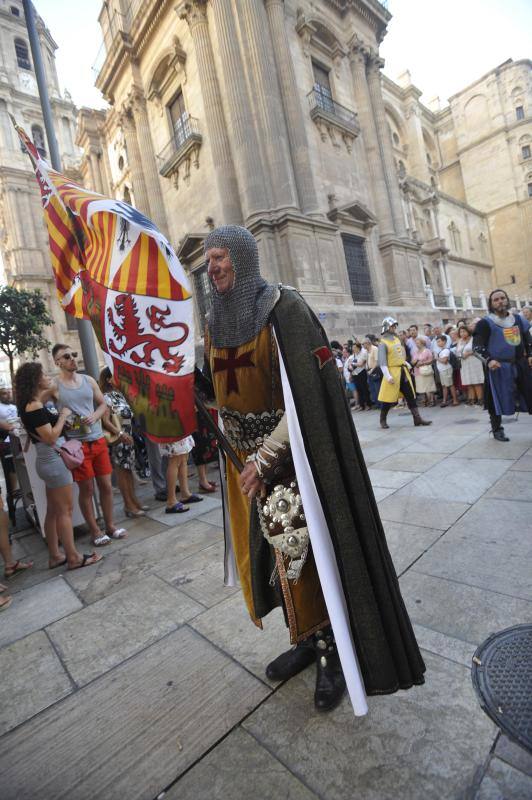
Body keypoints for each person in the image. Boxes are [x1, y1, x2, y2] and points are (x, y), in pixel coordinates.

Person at [203, 225, 425, 715]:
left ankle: (332, 654)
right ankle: (305, 636)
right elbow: (217, 389)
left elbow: (308, 394)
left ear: (242, 258)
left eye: (220, 257)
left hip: (292, 461)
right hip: (245, 469)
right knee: (273, 562)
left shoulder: (284, 308)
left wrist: (267, 458)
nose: (213, 267)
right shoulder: (214, 319)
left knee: (307, 555)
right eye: (209, 260)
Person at [15, 362, 102, 571]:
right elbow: (50, 436)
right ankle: (73, 557)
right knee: (65, 511)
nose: (47, 377)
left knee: (54, 511)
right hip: (53, 461)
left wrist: (64, 421)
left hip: (48, 462)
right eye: (43, 374)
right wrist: (63, 416)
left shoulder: (32, 404)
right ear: (36, 380)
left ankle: (55, 555)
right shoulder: (34, 406)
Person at [50, 345, 126, 546]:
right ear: (57, 362)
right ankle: (95, 530)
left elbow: (103, 404)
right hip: (77, 446)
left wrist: (94, 416)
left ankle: (110, 525)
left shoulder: (88, 380)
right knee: (87, 490)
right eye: (67, 356)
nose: (73, 358)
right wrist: (59, 418)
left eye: (74, 354)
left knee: (107, 486)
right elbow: (36, 405)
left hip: (98, 439)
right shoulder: (54, 385)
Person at [473, 289, 532, 441]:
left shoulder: (518, 320)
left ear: (507, 300)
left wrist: (530, 355)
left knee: (529, 392)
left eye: (502, 298)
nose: (500, 301)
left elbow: (528, 340)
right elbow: (477, 347)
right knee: (495, 399)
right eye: (496, 299)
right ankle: (497, 429)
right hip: (497, 367)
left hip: (519, 364)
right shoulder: (485, 323)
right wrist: (489, 360)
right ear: (491, 304)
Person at [99, 367, 149, 518]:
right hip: (119, 439)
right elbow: (105, 421)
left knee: (128, 471)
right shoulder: (107, 397)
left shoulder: (119, 395)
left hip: (128, 437)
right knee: (122, 472)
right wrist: (120, 434)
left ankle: (134, 501)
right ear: (108, 379)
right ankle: (128, 505)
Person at [377, 318, 432, 430]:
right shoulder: (383, 343)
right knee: (388, 398)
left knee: (410, 396)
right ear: (387, 327)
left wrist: (406, 363)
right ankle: (382, 419)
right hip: (392, 373)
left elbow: (399, 356)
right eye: (392, 326)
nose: (394, 328)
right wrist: (388, 376)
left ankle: (417, 419)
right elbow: (382, 363)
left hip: (402, 372)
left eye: (394, 326)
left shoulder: (397, 340)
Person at [159, 435, 201, 513]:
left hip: (178, 427)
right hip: (170, 428)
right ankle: (171, 501)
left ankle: (185, 493)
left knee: (183, 457)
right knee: (174, 460)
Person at [455, 325, 484, 405]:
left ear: (468, 331)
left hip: (474, 361)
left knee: (476, 381)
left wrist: (468, 353)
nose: (462, 333)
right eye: (460, 332)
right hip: (464, 363)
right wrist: (460, 355)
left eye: (464, 331)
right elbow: (457, 351)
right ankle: (472, 398)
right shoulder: (459, 341)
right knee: (468, 382)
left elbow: (477, 349)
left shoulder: (473, 338)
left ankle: (480, 399)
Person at [435, 336, 459, 407]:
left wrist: (437, 358)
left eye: (439, 341)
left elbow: (444, 361)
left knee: (450, 385)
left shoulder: (446, 350)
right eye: (437, 342)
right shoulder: (441, 351)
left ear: (444, 341)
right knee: (444, 386)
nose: (438, 343)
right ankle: (444, 401)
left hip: (446, 370)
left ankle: (455, 400)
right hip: (442, 370)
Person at [411, 337, 436, 406]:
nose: (416, 344)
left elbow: (431, 360)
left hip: (426, 370)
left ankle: (431, 400)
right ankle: (424, 400)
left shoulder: (427, 351)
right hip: (417, 371)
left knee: (429, 386)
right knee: (421, 387)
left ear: (422, 343)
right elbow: (412, 361)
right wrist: (414, 362)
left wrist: (423, 363)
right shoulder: (415, 352)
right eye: (416, 343)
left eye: (418, 343)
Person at [351, 342, 370, 410]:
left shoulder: (363, 353)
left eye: (354, 348)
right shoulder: (354, 355)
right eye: (353, 348)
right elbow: (354, 363)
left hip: (362, 372)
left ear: (358, 347)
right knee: (359, 390)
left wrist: (353, 364)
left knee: (364, 389)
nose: (353, 349)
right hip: (355, 373)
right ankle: (362, 405)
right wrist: (353, 364)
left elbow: (361, 364)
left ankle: (368, 404)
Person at [363, 335, 381, 409]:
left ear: (367, 343)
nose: (362, 345)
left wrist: (371, 370)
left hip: (375, 370)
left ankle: (381, 404)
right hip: (369, 371)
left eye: (363, 344)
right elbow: (364, 361)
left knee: (377, 388)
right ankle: (377, 404)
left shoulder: (375, 349)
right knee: (372, 389)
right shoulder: (366, 351)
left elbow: (377, 362)